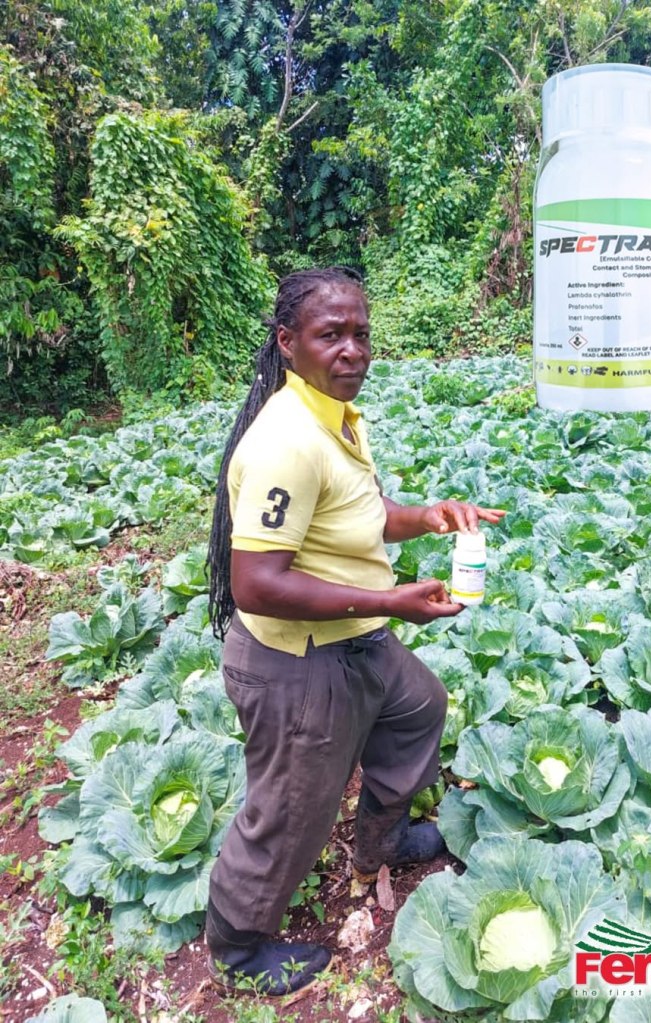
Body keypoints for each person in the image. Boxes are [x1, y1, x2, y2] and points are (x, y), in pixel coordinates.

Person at [204, 266, 505, 997]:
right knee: (292, 807)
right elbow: (256, 583)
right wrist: (393, 600)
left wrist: (430, 515)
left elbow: (367, 514)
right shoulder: (287, 439)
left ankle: (381, 840)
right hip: (294, 658)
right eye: (330, 334)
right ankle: (238, 940)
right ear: (287, 343)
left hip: (355, 634)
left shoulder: (335, 417)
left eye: (360, 334)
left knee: (417, 707)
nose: (352, 350)